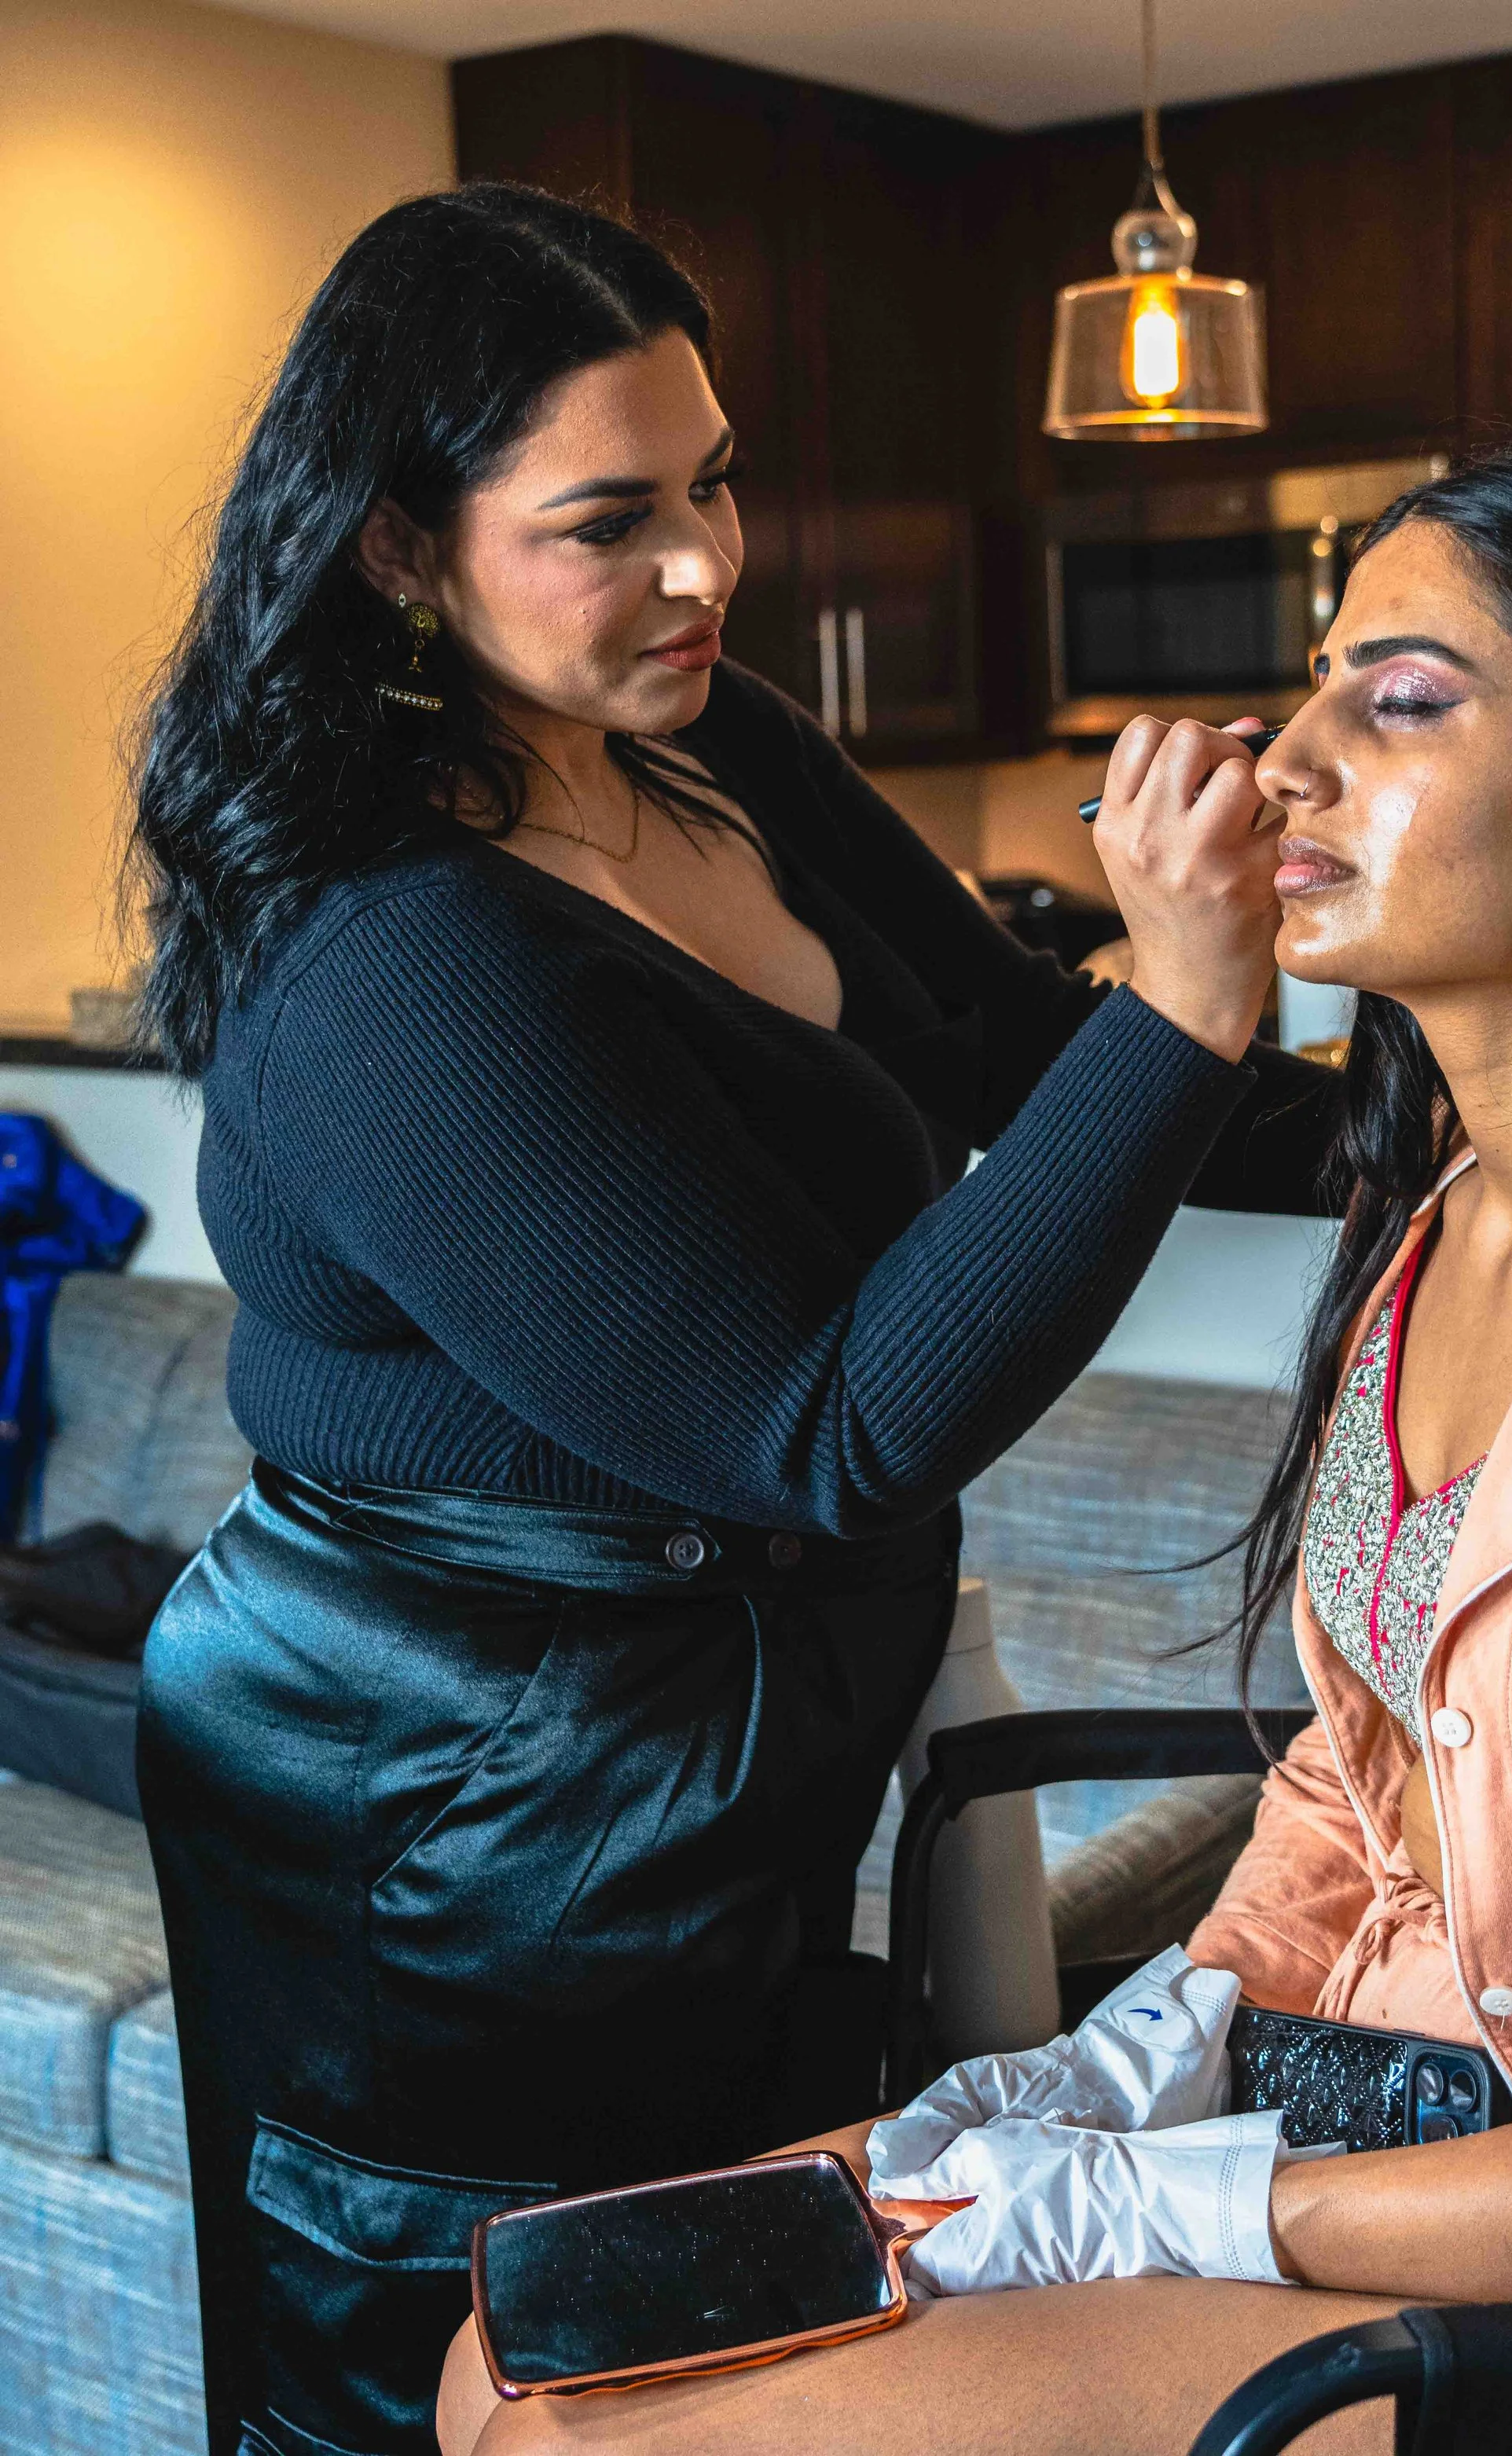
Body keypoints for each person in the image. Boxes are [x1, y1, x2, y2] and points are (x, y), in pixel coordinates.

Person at [432, 438, 1512, 2456]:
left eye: (1398, 699)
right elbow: (1354, 1793)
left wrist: (1202, 2208)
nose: (1284, 765)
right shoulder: (1435, 1241)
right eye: (1310, 684)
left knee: (601, 2438)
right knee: (509, 2357)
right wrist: (1140, 2055)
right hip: (1364, 2142)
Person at [128, 182, 1335, 2456]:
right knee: (514, 2377)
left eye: (715, 484)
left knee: (737, 2339)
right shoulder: (393, 959)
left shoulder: (710, 737)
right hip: (459, 1812)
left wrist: (1469, 1106)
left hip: (703, 1752)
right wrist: (1185, 999)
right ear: (399, 545)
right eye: (610, 521)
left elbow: (991, 1033)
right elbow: (822, 1428)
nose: (703, 566)